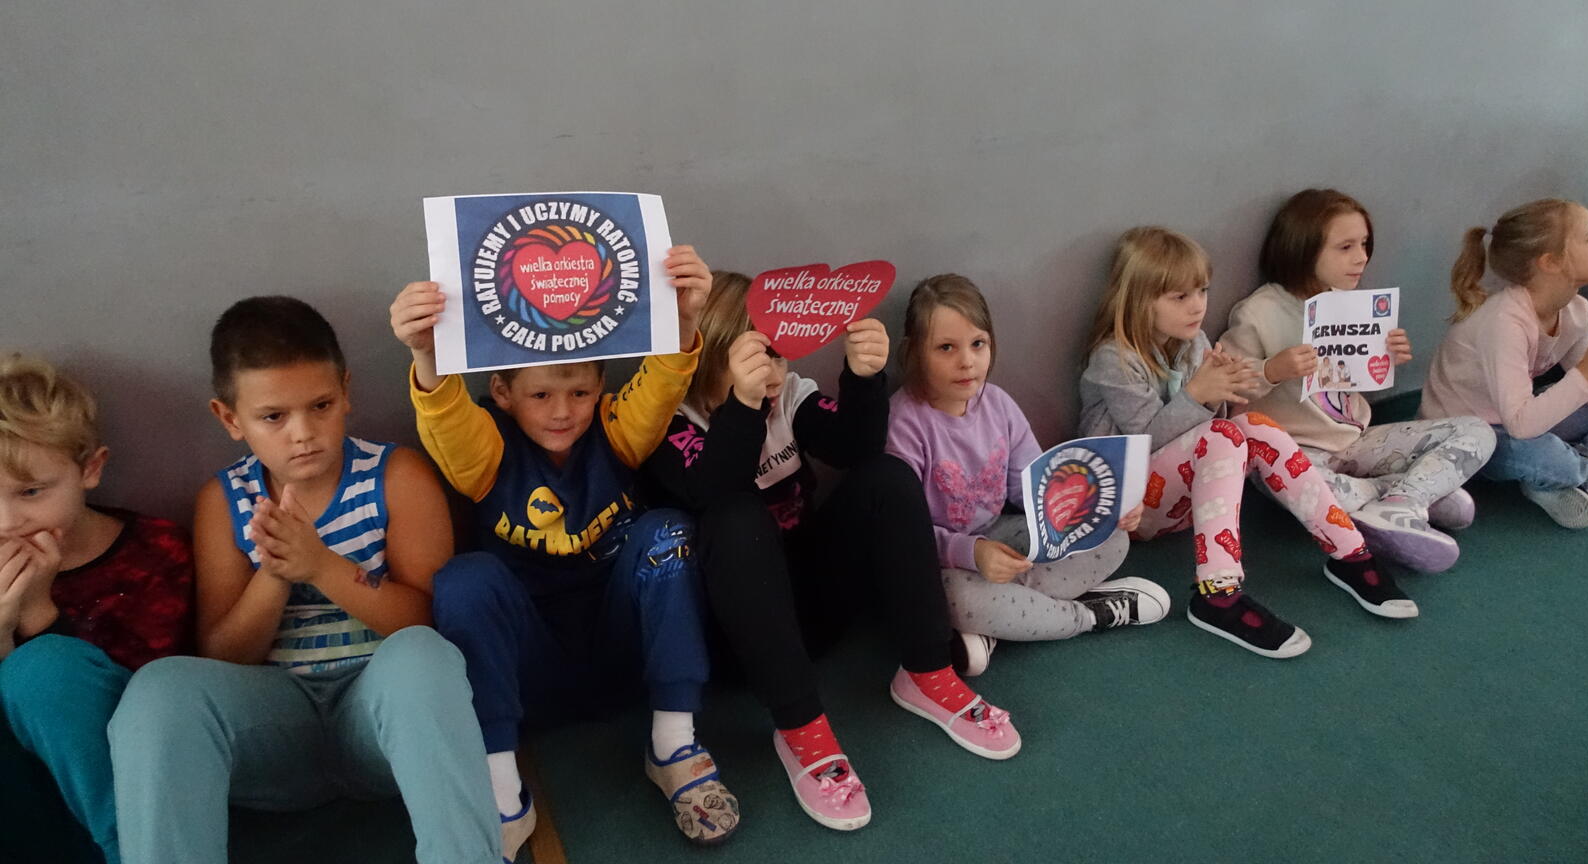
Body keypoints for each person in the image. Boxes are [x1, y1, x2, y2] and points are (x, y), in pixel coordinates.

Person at [109, 297, 501, 864]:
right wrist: (275, 573)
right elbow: (225, 656)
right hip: (275, 729)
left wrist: (321, 566)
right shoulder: (224, 500)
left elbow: (424, 620)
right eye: (274, 417)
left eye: (320, 406)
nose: (304, 433)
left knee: (424, 655)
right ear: (230, 419)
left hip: (380, 721)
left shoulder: (395, 475)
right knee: (159, 690)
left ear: (346, 392)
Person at [643, 272, 1019, 832]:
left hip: (814, 607)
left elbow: (856, 450)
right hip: (740, 639)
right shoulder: (671, 424)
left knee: (886, 476)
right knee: (735, 516)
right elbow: (712, 491)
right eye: (754, 360)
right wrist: (743, 408)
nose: (771, 374)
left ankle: (927, 670)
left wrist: (863, 379)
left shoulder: (787, 395)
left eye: (776, 355)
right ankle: (801, 728)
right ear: (710, 362)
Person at [391, 246, 740, 849]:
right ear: (502, 392)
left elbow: (661, 387)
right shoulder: (488, 450)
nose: (562, 412)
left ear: (601, 387)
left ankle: (674, 745)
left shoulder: (614, 428)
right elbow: (445, 419)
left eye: (579, 393)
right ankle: (503, 791)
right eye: (541, 396)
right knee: (464, 579)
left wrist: (684, 320)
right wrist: (425, 353)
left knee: (669, 531)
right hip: (529, 673)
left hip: (623, 652)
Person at [1080, 228, 1418, 659]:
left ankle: (1351, 553)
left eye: (1202, 290)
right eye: (1179, 296)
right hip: (1127, 509)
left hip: (1183, 500)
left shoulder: (1193, 344)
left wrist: (1220, 392)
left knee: (1255, 426)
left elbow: (1213, 432)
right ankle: (1218, 595)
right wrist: (1199, 394)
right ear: (1139, 301)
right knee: (1224, 433)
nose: (1197, 305)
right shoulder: (1114, 359)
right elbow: (1140, 445)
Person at [887, 273, 1171, 674]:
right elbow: (903, 536)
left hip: (998, 535)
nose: (966, 361)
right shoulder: (904, 423)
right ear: (915, 352)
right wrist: (972, 553)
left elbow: (1036, 490)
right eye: (946, 348)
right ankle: (1086, 616)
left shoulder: (998, 404)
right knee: (957, 602)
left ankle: (1003, 624)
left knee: (1114, 538)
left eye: (977, 344)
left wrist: (1104, 512)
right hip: (939, 563)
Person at [1219, 188, 1494, 571]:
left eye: (1364, 244)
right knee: (1316, 493)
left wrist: (1383, 357)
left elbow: (1349, 387)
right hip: (1294, 455)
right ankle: (1404, 491)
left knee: (1478, 432)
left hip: (1355, 442)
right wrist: (1271, 370)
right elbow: (1226, 395)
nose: (1361, 257)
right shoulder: (1257, 312)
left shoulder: (1353, 304)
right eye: (1345, 247)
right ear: (1302, 249)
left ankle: (1404, 502)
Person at [0, 355, 191, 864]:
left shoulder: (154, 552)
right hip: (29, 805)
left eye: (31, 492)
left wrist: (38, 614)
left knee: (45, 670)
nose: (7, 521)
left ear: (90, 469)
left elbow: (157, 697)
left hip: (127, 784)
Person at [1421, 200, 1588, 528]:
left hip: (1517, 414)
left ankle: (1581, 475)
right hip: (1465, 436)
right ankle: (1583, 472)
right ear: (1551, 262)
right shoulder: (1504, 321)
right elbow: (1522, 427)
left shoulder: (1577, 310)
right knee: (1543, 454)